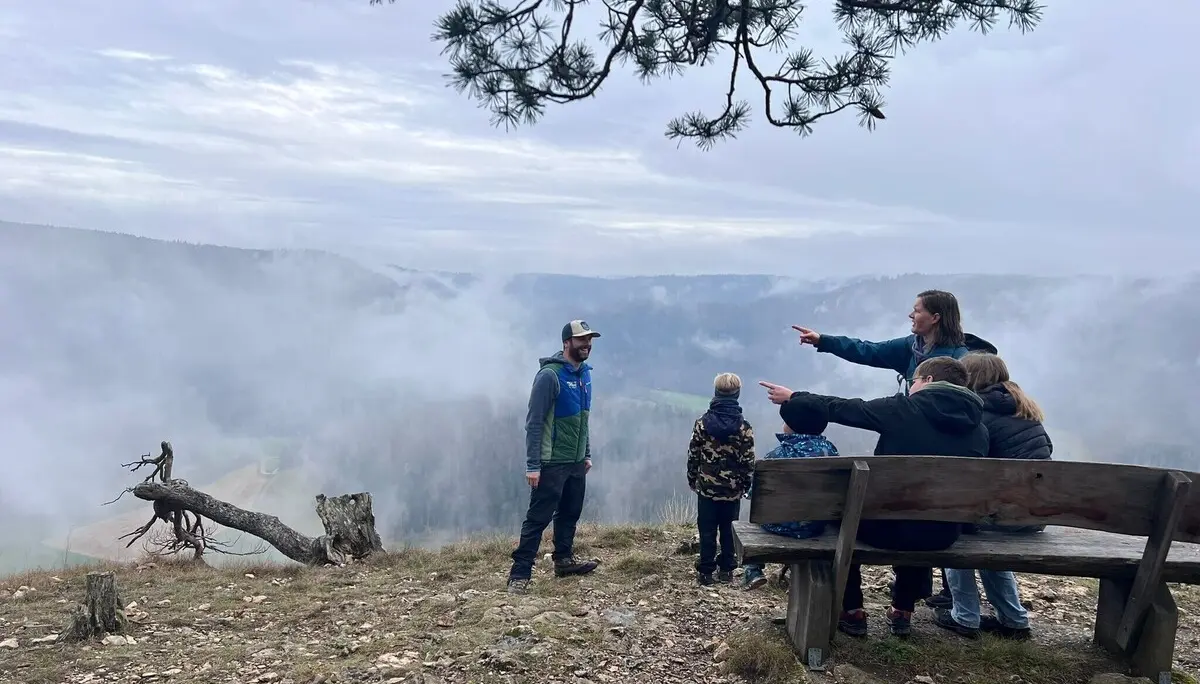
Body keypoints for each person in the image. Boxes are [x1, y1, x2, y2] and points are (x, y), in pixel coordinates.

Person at [760, 355, 988, 638]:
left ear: (928, 381)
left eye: (912, 381)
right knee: (923, 513)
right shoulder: (979, 429)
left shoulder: (902, 409)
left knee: (846, 516)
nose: (910, 387)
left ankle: (852, 610)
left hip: (886, 531)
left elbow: (846, 409)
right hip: (943, 535)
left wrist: (796, 397)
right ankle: (902, 610)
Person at [934, 352, 1051, 640]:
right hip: (1034, 517)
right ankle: (1014, 619)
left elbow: (968, 469)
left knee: (955, 534)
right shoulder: (1026, 411)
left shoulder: (977, 414)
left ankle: (965, 616)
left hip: (1003, 517)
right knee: (989, 543)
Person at [506, 320, 602, 595]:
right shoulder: (549, 376)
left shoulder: (585, 375)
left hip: (574, 461)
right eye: (581, 340)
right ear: (566, 343)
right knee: (538, 518)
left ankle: (564, 560)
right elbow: (534, 422)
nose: (587, 344)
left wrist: (586, 453)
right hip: (551, 461)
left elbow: (583, 420)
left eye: (589, 340)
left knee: (570, 513)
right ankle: (520, 574)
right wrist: (533, 465)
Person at [791, 289, 979, 396]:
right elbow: (867, 350)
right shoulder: (911, 347)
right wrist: (823, 341)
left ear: (935, 317)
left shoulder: (961, 358)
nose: (911, 315)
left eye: (917, 311)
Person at [741, 401, 840, 591]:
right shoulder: (832, 452)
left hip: (780, 526)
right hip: (817, 526)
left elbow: (756, 495)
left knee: (755, 518)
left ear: (791, 426)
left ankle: (753, 570)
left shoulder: (777, 456)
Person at [687, 372, 756, 586]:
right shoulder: (744, 429)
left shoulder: (702, 424)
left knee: (706, 529)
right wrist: (745, 485)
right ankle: (727, 568)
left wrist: (693, 479)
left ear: (716, 393)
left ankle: (706, 571)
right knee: (728, 529)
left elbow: (693, 455)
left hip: (707, 489)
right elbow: (748, 462)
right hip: (732, 491)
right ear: (737, 395)